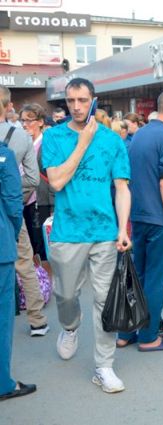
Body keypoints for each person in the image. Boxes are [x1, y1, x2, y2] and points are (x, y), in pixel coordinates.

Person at [41, 77, 131, 393]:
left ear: (94, 100)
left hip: (104, 232)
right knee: (66, 295)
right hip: (67, 231)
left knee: (105, 300)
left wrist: (122, 227)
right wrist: (83, 142)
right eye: (71, 101)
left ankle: (104, 366)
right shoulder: (53, 137)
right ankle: (70, 327)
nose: (76, 107)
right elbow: (56, 182)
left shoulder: (113, 140)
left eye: (82, 100)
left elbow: (122, 187)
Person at [117, 89, 163, 351]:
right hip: (159, 218)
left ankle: (125, 333)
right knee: (156, 280)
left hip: (138, 214)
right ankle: (148, 338)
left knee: (138, 277)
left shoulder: (140, 134)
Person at [0, 86, 48, 337]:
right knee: (24, 263)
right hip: (9, 210)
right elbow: (32, 178)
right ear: (9, 105)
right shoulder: (20, 137)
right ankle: (37, 320)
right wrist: (14, 195)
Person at [0, 110, 37, 402]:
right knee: (2, 318)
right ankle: (3, 383)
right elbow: (13, 202)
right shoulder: (4, 155)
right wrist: (10, 234)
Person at [19, 103, 55, 265]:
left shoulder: (46, 144)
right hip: (25, 202)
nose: (25, 124)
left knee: (43, 248)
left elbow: (53, 177)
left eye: (29, 120)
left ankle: (47, 279)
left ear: (40, 122)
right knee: (31, 248)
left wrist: (53, 207)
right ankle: (39, 278)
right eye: (22, 120)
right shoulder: (22, 144)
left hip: (42, 203)